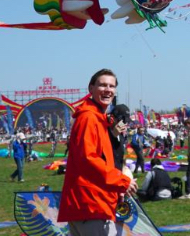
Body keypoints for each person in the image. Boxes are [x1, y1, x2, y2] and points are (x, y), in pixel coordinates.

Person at [58, 69, 137, 236]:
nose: (108, 89)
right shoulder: (89, 118)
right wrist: (122, 181)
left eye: (111, 86)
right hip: (91, 205)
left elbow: (105, 159)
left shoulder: (98, 118)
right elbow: (88, 160)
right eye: (102, 85)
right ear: (91, 88)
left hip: (93, 204)